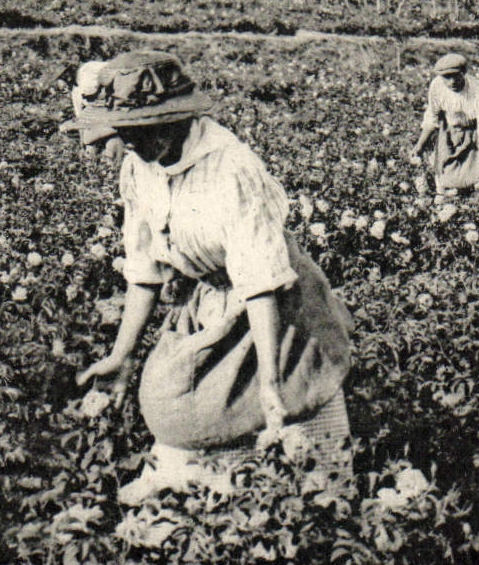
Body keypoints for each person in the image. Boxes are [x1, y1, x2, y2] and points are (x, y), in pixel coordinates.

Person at [66, 50, 355, 503]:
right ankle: (202, 511)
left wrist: (270, 378)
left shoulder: (228, 168)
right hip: (211, 299)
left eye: (139, 131)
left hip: (277, 307)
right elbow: (145, 271)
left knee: (294, 416)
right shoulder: (141, 166)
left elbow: (260, 282)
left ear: (172, 120)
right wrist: (121, 356)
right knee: (181, 403)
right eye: (123, 132)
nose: (130, 144)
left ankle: (300, 518)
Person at [408, 52, 479, 197]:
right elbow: (432, 116)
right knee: (446, 168)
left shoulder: (477, 90)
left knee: (478, 171)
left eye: (456, 76)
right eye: (446, 77)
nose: (452, 82)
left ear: (464, 73)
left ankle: (474, 194)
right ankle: (450, 193)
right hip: (449, 131)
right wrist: (419, 145)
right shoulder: (437, 86)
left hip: (473, 131)